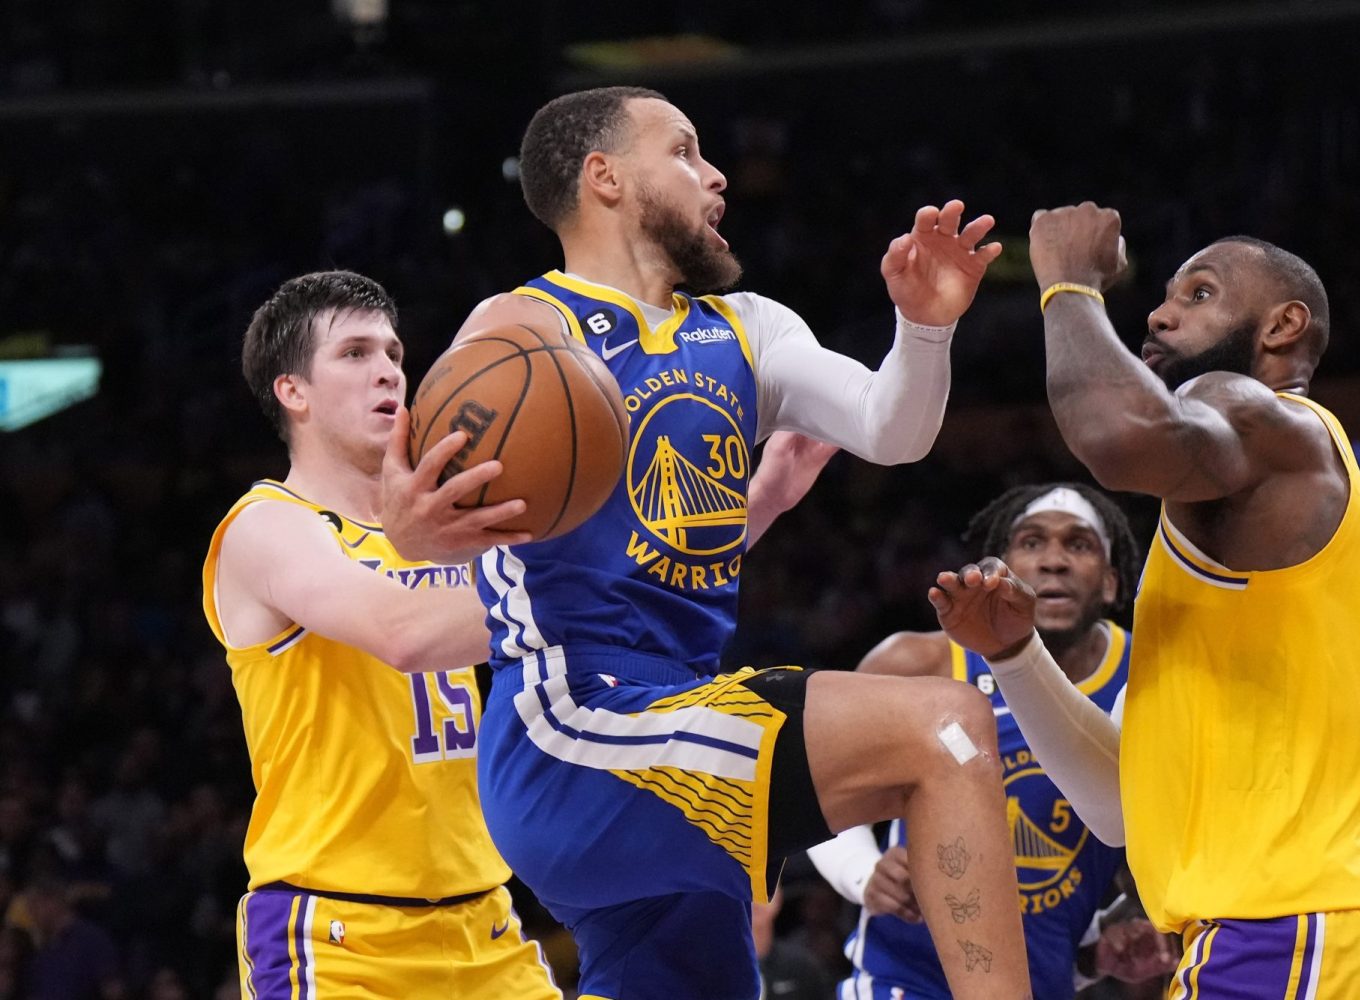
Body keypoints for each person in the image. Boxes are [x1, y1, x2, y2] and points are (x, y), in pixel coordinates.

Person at [381, 87, 1031, 1000]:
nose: (716, 174)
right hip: (573, 725)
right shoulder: (523, 332)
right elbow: (407, 502)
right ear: (602, 177)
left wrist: (925, 326)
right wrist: (408, 526)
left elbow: (892, 431)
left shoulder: (749, 328)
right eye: (683, 151)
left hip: (679, 716)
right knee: (946, 727)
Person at [926, 204, 1360, 997]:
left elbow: (1117, 437)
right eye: (1165, 294)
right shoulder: (1240, 519)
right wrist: (1016, 655)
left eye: (1198, 294)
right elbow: (1124, 803)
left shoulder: (1257, 411)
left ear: (1282, 326)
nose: (1158, 312)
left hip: (1298, 932)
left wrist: (1071, 287)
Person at [202, 271, 561, 1000]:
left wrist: (748, 511)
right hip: (337, 941)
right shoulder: (266, 528)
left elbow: (613, 586)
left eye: (394, 352)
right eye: (355, 353)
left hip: (484, 925)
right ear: (292, 391)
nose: (389, 370)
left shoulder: (453, 527)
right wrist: (584, 574)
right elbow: (401, 632)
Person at [808, 483, 1175, 999]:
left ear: (1112, 583)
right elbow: (811, 788)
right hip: (906, 981)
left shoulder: (1148, 680)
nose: (1053, 561)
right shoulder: (921, 662)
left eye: (1079, 544)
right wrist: (860, 871)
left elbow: (1163, 836)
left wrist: (1108, 936)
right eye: (1031, 542)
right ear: (1000, 570)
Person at [752, 886, 834, 1000]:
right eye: (747, 888)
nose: (755, 898)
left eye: (765, 886)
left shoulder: (803, 966)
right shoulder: (720, 964)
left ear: (779, 898)